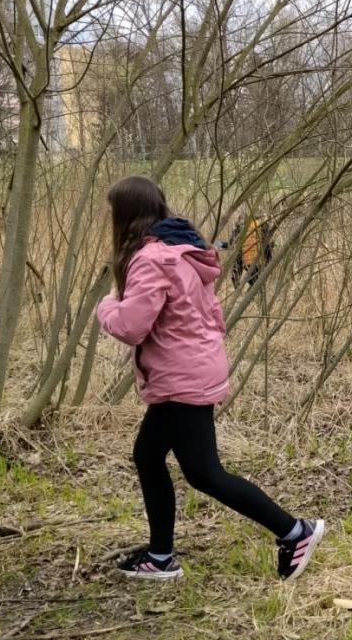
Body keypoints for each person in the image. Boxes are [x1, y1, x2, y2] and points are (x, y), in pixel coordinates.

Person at [96, 176, 324, 581]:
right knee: (150, 456)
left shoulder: (152, 259)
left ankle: (294, 532)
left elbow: (131, 327)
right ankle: (160, 557)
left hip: (181, 377)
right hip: (191, 369)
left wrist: (107, 305)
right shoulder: (181, 252)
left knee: (204, 473)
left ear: (126, 215)